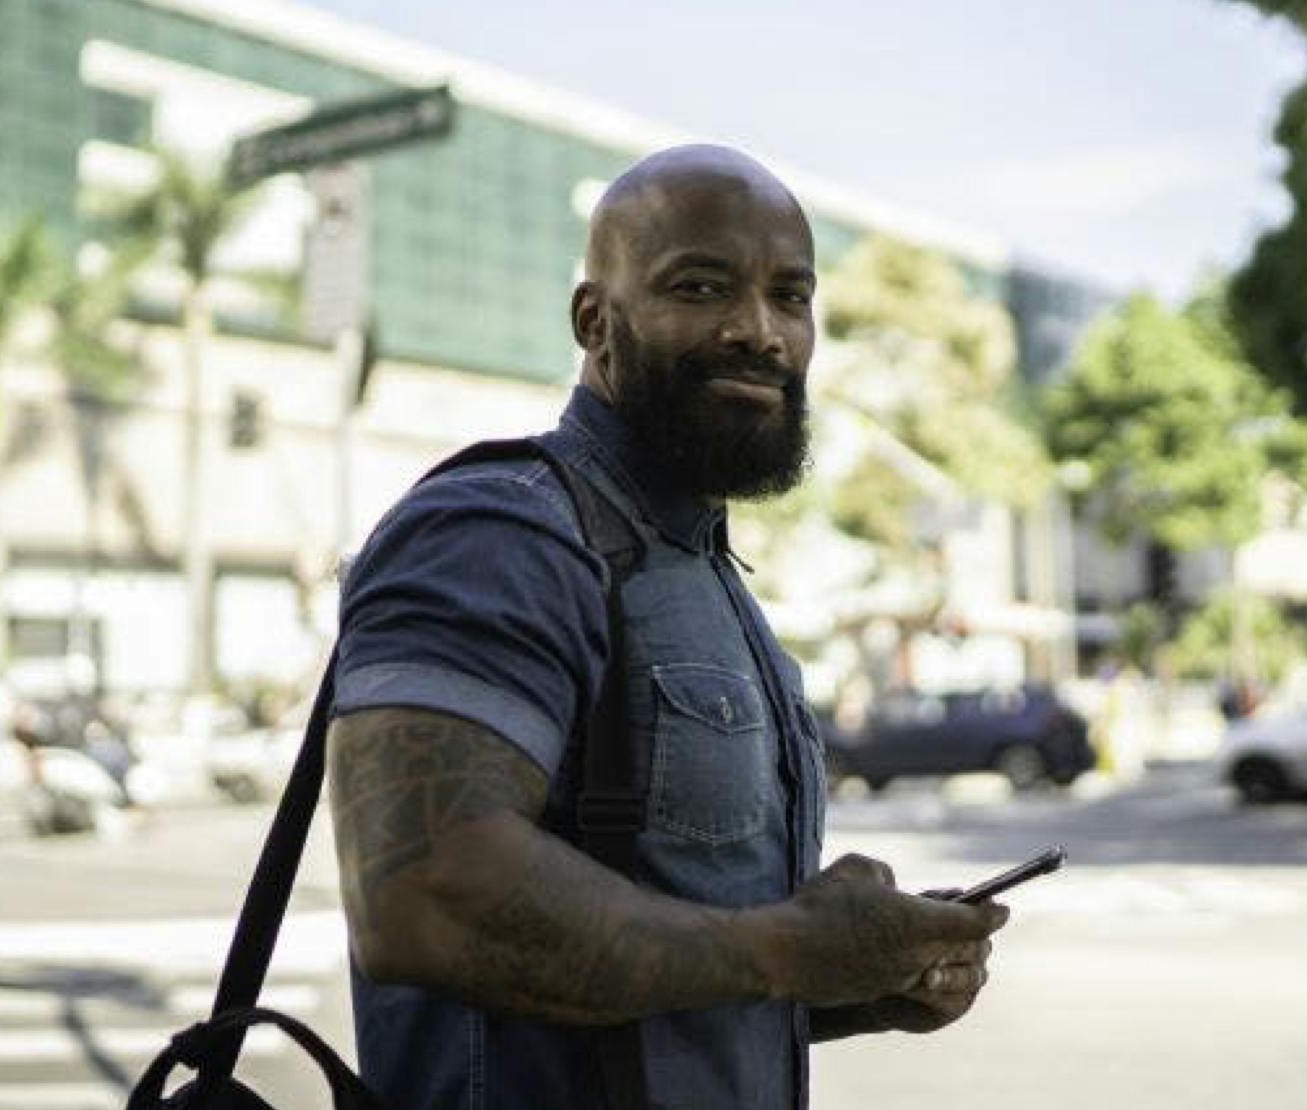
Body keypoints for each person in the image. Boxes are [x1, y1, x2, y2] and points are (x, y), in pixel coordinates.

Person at [326, 145, 1010, 1110]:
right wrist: (793, 950)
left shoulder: (708, 577)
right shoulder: (502, 530)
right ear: (593, 322)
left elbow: (673, 966)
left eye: (791, 297)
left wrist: (857, 976)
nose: (760, 332)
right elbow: (424, 902)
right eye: (700, 287)